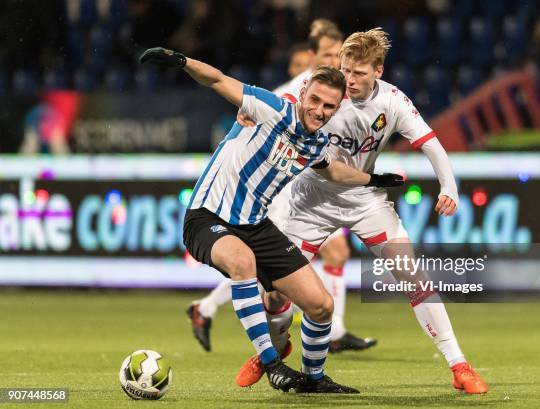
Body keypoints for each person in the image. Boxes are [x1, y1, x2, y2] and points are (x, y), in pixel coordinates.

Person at [234, 28, 489, 395]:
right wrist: (249, 109)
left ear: (378, 72)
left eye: (359, 73)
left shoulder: (393, 102)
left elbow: (430, 143)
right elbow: (278, 99)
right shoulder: (320, 84)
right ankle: (273, 350)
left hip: (365, 198)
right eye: (346, 69)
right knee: (275, 294)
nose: (349, 80)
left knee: (410, 274)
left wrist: (449, 186)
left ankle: (459, 365)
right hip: (309, 200)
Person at [139, 46, 404, 393]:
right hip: (207, 217)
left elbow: (333, 171)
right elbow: (217, 79)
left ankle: (313, 378)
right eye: (316, 100)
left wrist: (374, 179)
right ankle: (271, 363)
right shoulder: (269, 108)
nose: (319, 111)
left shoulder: (316, 144)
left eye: (329, 106)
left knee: (321, 305)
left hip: (256, 226)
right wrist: (180, 61)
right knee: (241, 261)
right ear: (304, 92)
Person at [188, 19, 376, 358]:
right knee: (261, 271)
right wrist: (245, 113)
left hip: (306, 184)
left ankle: (330, 330)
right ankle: (309, 337)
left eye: (341, 57)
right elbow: (263, 107)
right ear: (312, 55)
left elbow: (330, 157)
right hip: (280, 193)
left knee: (279, 271)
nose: (337, 63)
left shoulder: (337, 95)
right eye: (330, 55)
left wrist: (368, 177)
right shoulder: (298, 90)